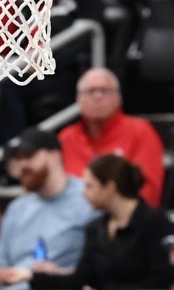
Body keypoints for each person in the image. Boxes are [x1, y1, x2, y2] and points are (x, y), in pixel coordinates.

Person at [29, 155, 174, 290]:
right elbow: (81, 279)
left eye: (89, 186)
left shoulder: (155, 222)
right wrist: (32, 276)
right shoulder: (95, 228)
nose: (83, 193)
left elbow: (163, 279)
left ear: (110, 187)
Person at [0, 129, 96, 290]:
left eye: (29, 156)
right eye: (18, 159)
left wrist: (59, 273)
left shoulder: (87, 198)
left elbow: (97, 267)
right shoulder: (16, 209)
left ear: (55, 156)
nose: (23, 165)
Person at [58, 69, 164, 206]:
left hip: (124, 220)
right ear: (78, 100)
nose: (97, 97)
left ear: (118, 98)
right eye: (90, 91)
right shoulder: (66, 138)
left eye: (104, 91)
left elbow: (149, 193)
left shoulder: (140, 131)